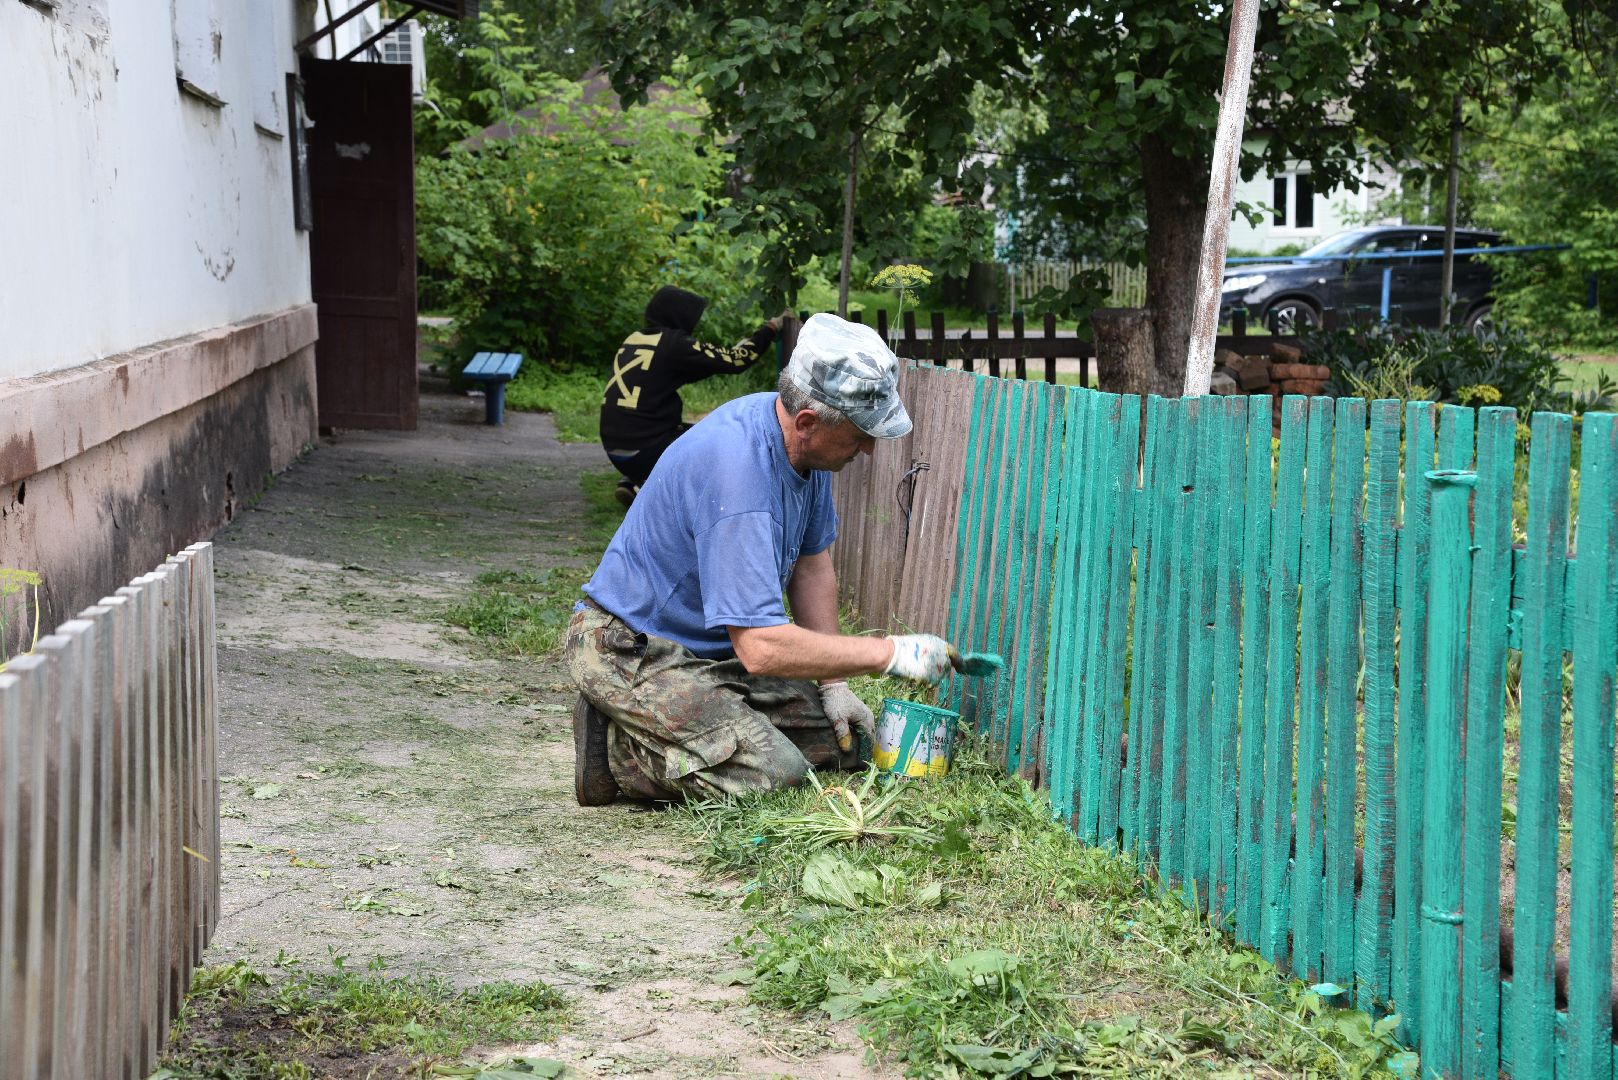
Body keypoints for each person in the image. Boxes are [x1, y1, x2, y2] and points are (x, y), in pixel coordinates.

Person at [566, 313, 955, 805]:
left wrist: (833, 684)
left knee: (845, 742)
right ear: (809, 422)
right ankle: (617, 749)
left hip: (711, 651)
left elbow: (813, 565)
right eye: (861, 434)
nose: (871, 449)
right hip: (629, 647)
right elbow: (762, 649)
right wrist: (891, 654)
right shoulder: (741, 475)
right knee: (775, 774)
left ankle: (691, 719)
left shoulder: (802, 448)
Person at [600, 285, 792, 508]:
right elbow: (737, 360)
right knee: (722, 440)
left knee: (686, 431)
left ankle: (636, 479)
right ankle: (657, 486)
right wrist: (770, 327)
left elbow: (669, 375)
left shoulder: (635, 339)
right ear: (679, 315)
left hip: (615, 447)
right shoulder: (675, 344)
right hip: (647, 448)